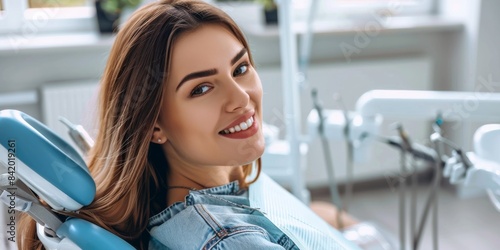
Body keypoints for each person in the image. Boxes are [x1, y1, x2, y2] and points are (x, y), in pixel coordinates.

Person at [17, 0, 357, 249]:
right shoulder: (227, 240)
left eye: (240, 69)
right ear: (154, 127)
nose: (241, 98)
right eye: (202, 88)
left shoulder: (189, 202)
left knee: (329, 213)